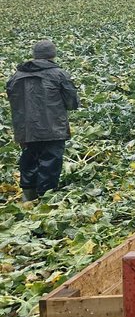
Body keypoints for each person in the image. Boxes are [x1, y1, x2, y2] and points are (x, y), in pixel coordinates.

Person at [7, 40, 79, 201]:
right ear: (52, 55)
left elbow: (12, 99)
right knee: (50, 164)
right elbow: (72, 103)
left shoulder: (16, 76)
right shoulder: (59, 74)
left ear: (34, 55)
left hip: (25, 129)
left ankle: (28, 199)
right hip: (52, 128)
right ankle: (46, 201)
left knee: (29, 159)